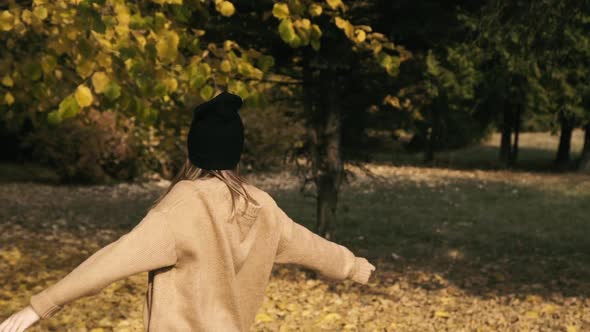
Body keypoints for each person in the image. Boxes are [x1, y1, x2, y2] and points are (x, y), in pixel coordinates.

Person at [0, 91, 376, 332]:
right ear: (236, 152)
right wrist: (352, 266)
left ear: (192, 150)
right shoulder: (263, 207)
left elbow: (110, 261)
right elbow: (312, 247)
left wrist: (39, 307)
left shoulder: (181, 207)